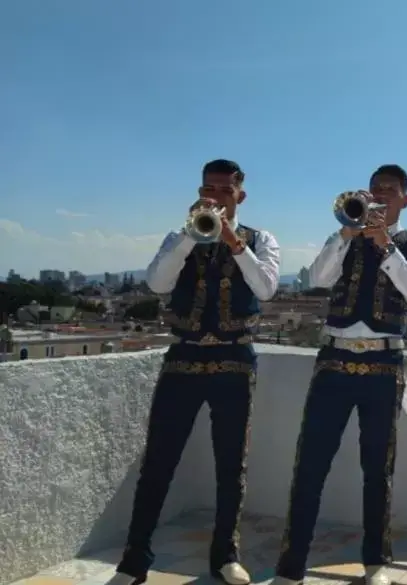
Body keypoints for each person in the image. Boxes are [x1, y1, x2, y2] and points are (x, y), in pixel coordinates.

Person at [110, 159, 282, 585]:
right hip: (183, 356)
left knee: (230, 464)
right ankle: (134, 562)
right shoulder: (180, 235)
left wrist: (233, 241)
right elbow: (157, 284)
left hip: (233, 359)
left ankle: (225, 555)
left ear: (240, 195)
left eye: (224, 190)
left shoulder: (262, 240)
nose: (215, 196)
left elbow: (266, 288)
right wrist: (191, 236)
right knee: (159, 462)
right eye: (209, 188)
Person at [273, 164, 407, 585]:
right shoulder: (344, 234)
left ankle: (376, 561)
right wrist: (346, 234)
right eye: (375, 189)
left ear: (405, 199)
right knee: (311, 462)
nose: (380, 195)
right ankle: (291, 564)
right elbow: (317, 278)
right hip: (334, 359)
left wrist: (386, 246)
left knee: (377, 465)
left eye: (390, 190)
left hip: (383, 363)